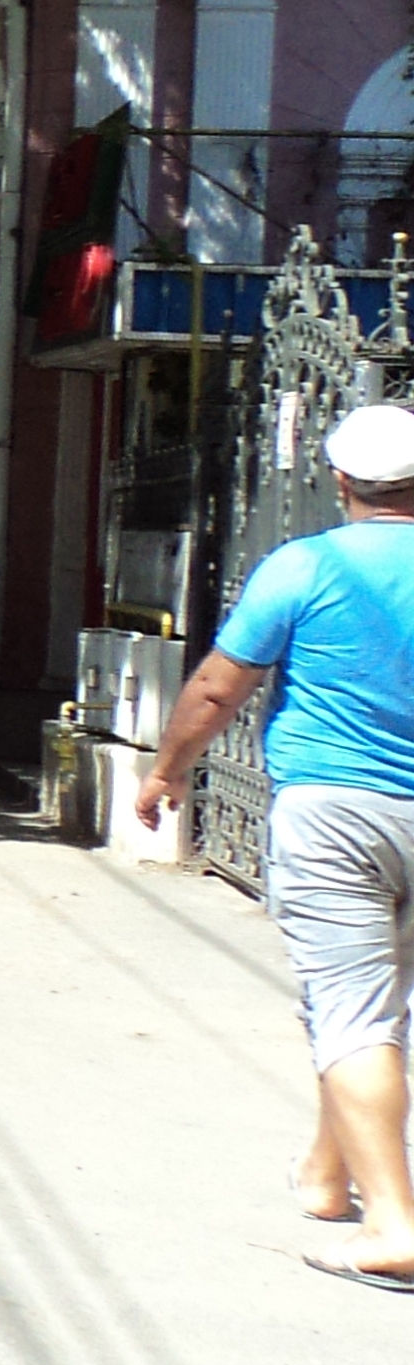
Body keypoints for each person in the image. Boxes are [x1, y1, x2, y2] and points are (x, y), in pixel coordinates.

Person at [132, 403, 414, 1290]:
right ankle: (329, 1176)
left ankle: (395, 1226)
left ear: (341, 481)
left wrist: (167, 770)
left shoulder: (305, 566)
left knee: (352, 1010)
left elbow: (220, 688)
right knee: (376, 1004)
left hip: (335, 812)